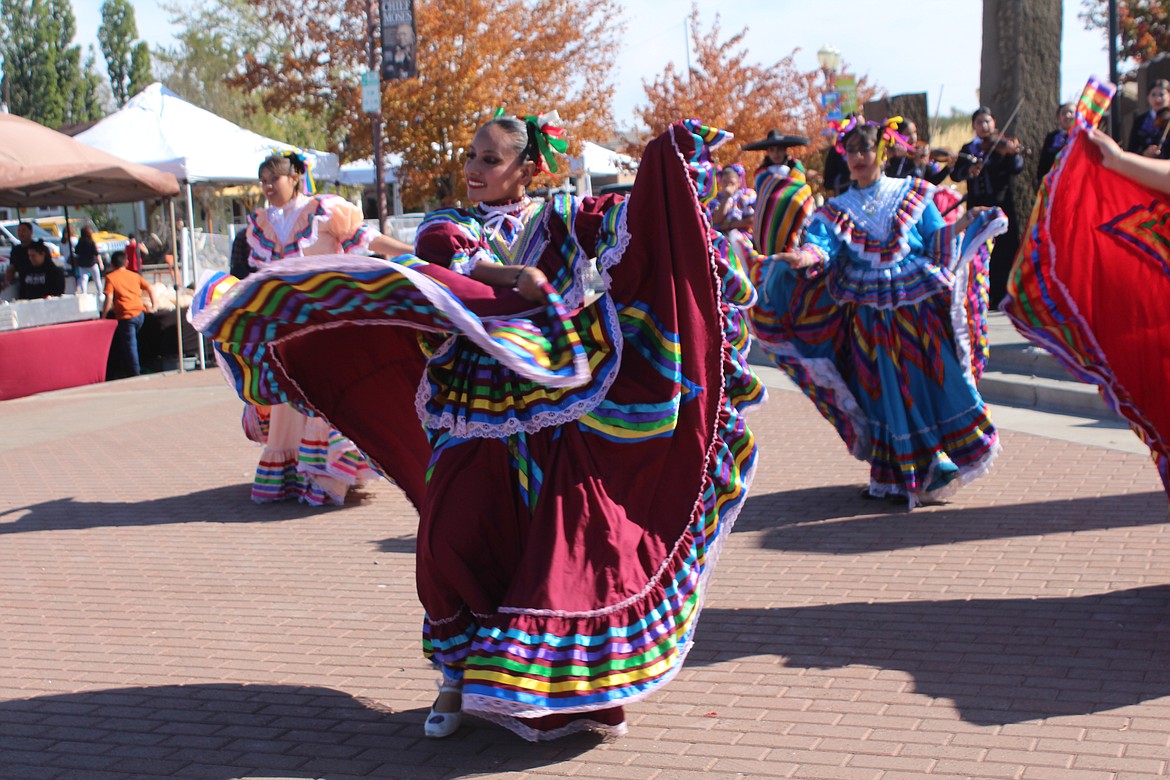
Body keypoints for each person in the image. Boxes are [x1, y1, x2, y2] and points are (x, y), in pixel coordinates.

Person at [189, 114, 762, 741]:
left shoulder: (565, 217)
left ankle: (552, 690)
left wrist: (668, 159)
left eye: (490, 159)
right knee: (449, 535)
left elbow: (641, 223)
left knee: (548, 541)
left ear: (528, 168)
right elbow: (448, 265)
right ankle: (454, 675)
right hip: (472, 402)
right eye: (472, 155)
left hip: (553, 406)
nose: (474, 168)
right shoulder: (451, 224)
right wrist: (515, 277)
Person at [758, 118, 1005, 507]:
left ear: (882, 151)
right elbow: (823, 247)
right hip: (868, 315)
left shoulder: (913, 192)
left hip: (916, 306)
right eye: (851, 150)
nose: (857, 157)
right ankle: (894, 471)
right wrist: (802, 256)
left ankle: (938, 457)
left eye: (865, 149)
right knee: (879, 388)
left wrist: (964, 226)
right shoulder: (837, 208)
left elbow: (935, 236)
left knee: (931, 379)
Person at [227, 150, 412, 507]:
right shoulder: (261, 223)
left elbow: (367, 238)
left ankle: (327, 476)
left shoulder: (324, 210)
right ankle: (295, 474)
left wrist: (409, 250)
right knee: (288, 398)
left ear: (295, 177)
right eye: (263, 181)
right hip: (283, 324)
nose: (267, 187)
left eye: (273, 179)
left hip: (325, 319)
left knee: (325, 394)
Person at [950, 106, 1025, 308]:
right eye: (979, 123)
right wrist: (968, 171)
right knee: (979, 248)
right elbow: (956, 175)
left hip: (1002, 205)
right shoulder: (968, 149)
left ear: (994, 123)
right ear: (974, 126)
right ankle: (984, 294)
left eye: (987, 121)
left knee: (1005, 249)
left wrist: (1014, 153)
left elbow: (1017, 168)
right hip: (978, 206)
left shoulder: (1003, 145)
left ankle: (1006, 294)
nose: (984, 126)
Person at [103, 250, 157, 377]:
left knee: (130, 344)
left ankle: (135, 372)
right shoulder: (134, 275)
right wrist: (154, 305)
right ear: (126, 262)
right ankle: (127, 368)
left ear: (111, 264)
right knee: (128, 343)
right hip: (140, 314)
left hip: (126, 315)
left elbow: (109, 299)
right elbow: (150, 288)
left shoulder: (111, 278)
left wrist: (103, 316)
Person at [1126, 78, 1170, 158]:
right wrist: (1144, 153)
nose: (1157, 99)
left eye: (1161, 95)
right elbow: (1131, 150)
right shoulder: (1140, 120)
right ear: (1148, 97)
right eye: (1153, 94)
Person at [708, 163, 756, 233]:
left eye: (732, 183)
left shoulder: (746, 195)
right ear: (720, 182)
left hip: (743, 236)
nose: (728, 185)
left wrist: (728, 225)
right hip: (722, 237)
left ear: (738, 184)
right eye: (724, 182)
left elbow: (751, 220)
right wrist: (726, 198)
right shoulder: (715, 200)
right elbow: (716, 221)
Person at [1036, 103, 1075, 183]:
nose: (1067, 115)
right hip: (1051, 182)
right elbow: (1043, 160)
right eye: (1064, 113)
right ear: (1058, 117)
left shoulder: (1080, 137)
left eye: (1071, 112)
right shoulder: (1051, 137)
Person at [2, 221, 34, 293]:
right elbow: (12, 268)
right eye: (19, 231)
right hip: (24, 285)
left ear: (31, 232)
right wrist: (6, 282)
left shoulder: (37, 246)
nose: (21, 233)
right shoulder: (16, 250)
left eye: (24, 230)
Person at [73, 226, 104, 296]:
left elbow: (76, 251)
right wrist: (101, 263)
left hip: (82, 264)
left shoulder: (80, 242)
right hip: (92, 263)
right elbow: (96, 253)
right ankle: (100, 294)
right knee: (97, 279)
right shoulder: (91, 242)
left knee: (83, 279)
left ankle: (84, 293)